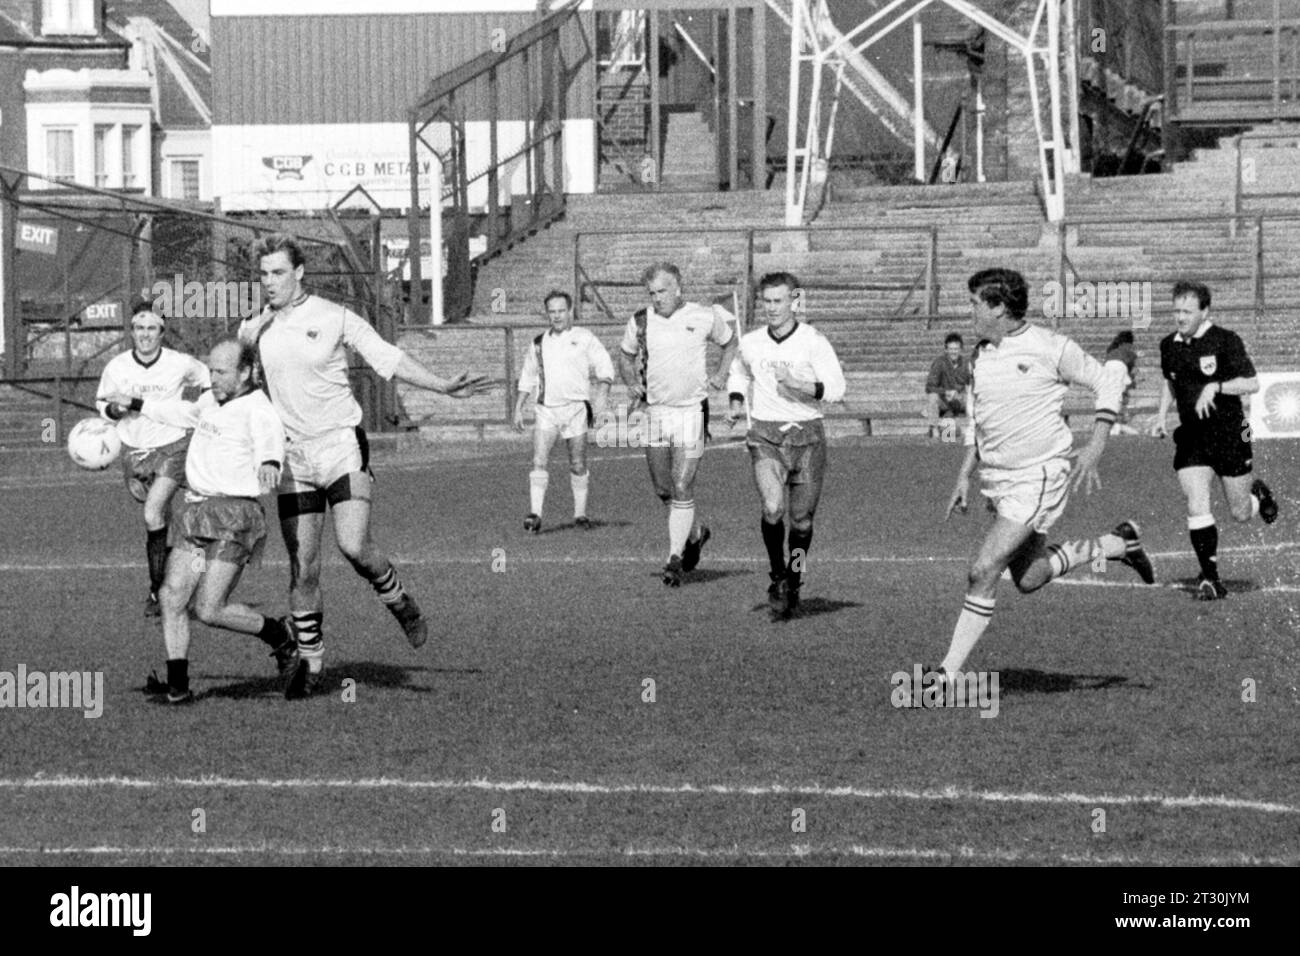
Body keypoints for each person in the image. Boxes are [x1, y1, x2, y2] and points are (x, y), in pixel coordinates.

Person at [239, 233, 487, 699]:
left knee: (353, 546)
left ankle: (399, 600)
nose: (268, 282)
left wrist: (440, 386)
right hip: (294, 456)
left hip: (340, 445)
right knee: (303, 566)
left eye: (277, 273)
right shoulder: (253, 330)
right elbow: (239, 387)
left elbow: (386, 358)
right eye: (263, 274)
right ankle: (310, 664)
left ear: (299, 273)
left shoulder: (334, 317)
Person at [938, 268, 1155, 678]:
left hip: (1038, 476)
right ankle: (1117, 544)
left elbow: (1106, 383)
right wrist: (964, 475)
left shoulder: (1050, 347)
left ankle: (945, 676)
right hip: (999, 480)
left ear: (999, 307)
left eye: (974, 303)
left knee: (983, 570)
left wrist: (1096, 443)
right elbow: (979, 421)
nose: (969, 311)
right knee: (1029, 577)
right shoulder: (980, 354)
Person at [106, 340, 293, 704]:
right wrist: (137, 404)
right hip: (195, 518)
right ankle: (178, 686)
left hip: (233, 519)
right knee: (172, 596)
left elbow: (273, 446)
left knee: (210, 609)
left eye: (222, 372)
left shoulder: (258, 410)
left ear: (245, 372)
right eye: (211, 370)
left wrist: (270, 463)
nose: (214, 378)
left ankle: (278, 634)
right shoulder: (211, 401)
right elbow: (184, 413)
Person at [725, 272, 846, 618]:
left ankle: (794, 575)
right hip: (765, 434)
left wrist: (800, 384)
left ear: (794, 300)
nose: (773, 308)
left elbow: (837, 388)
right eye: (767, 301)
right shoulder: (751, 342)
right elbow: (739, 371)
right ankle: (777, 574)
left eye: (779, 301)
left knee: (802, 521)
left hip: (807, 437)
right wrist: (736, 401)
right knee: (773, 507)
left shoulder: (813, 341)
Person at [1150, 281, 1278, 600]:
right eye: (1176, 310)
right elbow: (1170, 381)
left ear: (1205, 311)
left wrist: (1216, 386)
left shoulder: (1225, 341)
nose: (1180, 317)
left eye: (1187, 311)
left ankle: (1257, 496)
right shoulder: (1169, 345)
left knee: (1239, 512)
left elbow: (1252, 383)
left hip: (1231, 435)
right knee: (1196, 502)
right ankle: (1211, 579)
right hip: (1193, 438)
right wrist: (1161, 414)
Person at [617, 262, 739, 586]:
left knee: (682, 483)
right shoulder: (640, 321)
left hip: (692, 412)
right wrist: (630, 382)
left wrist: (722, 374)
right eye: (652, 293)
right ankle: (695, 534)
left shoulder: (703, 315)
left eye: (663, 291)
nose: (658, 298)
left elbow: (730, 343)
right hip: (656, 413)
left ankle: (674, 558)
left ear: (678, 287)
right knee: (663, 489)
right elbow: (625, 357)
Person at [97, 298, 211, 617]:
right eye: (139, 328)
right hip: (136, 452)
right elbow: (102, 404)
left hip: (173, 446)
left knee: (152, 513)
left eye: (151, 328)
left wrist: (196, 412)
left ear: (162, 331)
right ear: (131, 331)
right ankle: (171, 581)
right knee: (159, 520)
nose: (145, 334)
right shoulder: (117, 367)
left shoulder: (180, 363)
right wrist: (114, 409)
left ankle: (157, 592)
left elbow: (208, 382)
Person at [512, 290, 614, 532]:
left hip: (576, 409)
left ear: (570, 312)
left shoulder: (584, 337)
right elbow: (527, 377)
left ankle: (580, 514)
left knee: (578, 464)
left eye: (561, 311)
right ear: (547, 313)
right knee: (538, 460)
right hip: (546, 409)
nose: (556, 316)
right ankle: (535, 514)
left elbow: (604, 366)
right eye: (552, 311)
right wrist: (518, 408)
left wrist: (602, 396)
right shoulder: (538, 344)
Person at [925, 332, 971, 439]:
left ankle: (974, 429)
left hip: (959, 400)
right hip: (944, 401)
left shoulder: (966, 363)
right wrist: (946, 392)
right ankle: (935, 429)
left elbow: (972, 383)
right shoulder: (939, 363)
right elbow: (929, 386)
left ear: (961, 349)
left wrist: (963, 394)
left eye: (956, 349)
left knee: (974, 397)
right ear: (946, 350)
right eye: (951, 349)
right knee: (932, 396)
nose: (953, 352)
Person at [1104, 330, 1140, 436]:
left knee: (1113, 394)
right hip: (1119, 367)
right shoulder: (1128, 348)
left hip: (1107, 368)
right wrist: (1133, 380)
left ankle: (1113, 422)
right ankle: (1117, 424)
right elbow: (1132, 368)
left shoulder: (1113, 349)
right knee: (1121, 395)